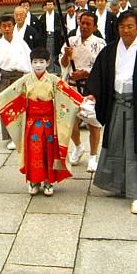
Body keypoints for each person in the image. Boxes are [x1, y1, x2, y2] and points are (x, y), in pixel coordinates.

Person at [85, 11, 137, 214]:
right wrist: (92, 94)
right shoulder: (110, 50)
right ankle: (117, 184)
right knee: (114, 144)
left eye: (130, 26)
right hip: (116, 103)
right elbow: (99, 75)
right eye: (122, 26)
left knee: (136, 149)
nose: (126, 30)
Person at [0, 47, 84, 196]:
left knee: (48, 150)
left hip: (49, 122)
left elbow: (68, 92)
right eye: (35, 62)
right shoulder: (26, 80)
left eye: (41, 62)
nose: (38, 65)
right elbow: (9, 92)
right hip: (32, 122)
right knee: (33, 151)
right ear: (31, 63)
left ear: (48, 63)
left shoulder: (53, 80)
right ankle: (33, 181)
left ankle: (48, 181)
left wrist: (83, 102)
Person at [60, 11, 106, 173]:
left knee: (93, 122)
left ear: (95, 26)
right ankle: (78, 147)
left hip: (90, 88)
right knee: (70, 121)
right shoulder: (71, 40)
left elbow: (103, 68)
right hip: (71, 86)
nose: (84, 26)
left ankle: (93, 156)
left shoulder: (100, 43)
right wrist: (67, 55)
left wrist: (85, 73)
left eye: (88, 24)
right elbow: (63, 64)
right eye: (82, 23)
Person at [0, 15, 32, 150]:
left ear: (14, 27)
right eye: (4, 26)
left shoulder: (21, 43)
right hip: (5, 78)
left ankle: (22, 135)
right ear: (0, 28)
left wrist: (30, 77)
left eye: (9, 25)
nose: (7, 29)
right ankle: (10, 137)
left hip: (19, 77)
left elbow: (29, 60)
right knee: (6, 108)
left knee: (21, 107)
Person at [39, 0, 64, 74]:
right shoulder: (42, 17)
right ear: (45, 6)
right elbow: (41, 29)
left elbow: (61, 27)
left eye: (51, 4)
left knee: (56, 54)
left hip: (56, 36)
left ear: (54, 6)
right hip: (46, 36)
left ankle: (57, 71)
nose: (49, 6)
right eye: (48, 5)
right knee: (48, 54)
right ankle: (49, 71)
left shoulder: (58, 16)